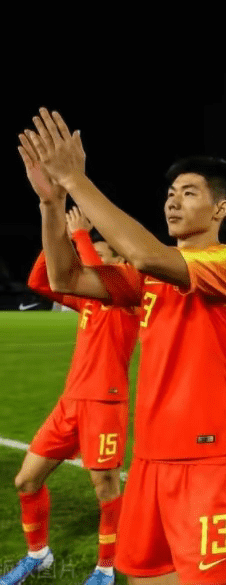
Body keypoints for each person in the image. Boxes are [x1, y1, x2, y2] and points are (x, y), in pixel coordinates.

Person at [18, 108, 226, 585]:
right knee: (144, 578)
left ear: (220, 210)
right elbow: (64, 278)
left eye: (189, 193)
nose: (173, 202)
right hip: (149, 457)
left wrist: (77, 179)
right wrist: (52, 203)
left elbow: (147, 255)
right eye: (170, 194)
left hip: (205, 461)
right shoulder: (144, 280)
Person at [1, 184, 138, 585]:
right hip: (71, 403)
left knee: (105, 488)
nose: (88, 256)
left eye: (100, 251)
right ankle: (38, 554)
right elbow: (40, 281)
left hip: (105, 404)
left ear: (120, 261)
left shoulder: (128, 294)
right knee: (26, 480)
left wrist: (80, 236)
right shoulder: (88, 300)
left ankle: (106, 568)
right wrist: (58, 236)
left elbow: (99, 274)